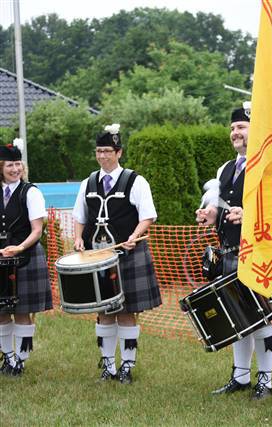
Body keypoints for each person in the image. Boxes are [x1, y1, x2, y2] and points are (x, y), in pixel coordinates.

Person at [195, 102, 272, 400]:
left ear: (256, 130)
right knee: (238, 316)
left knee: (262, 317)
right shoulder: (225, 168)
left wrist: (249, 216)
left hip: (259, 252)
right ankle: (240, 377)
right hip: (229, 252)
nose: (234, 132)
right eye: (232, 128)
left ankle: (265, 381)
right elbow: (220, 208)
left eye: (240, 127)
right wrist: (210, 215)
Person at [72, 124, 162, 384]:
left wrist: (134, 235)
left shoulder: (135, 181)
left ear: (119, 152)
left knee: (126, 312)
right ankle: (108, 365)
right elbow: (80, 216)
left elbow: (147, 216)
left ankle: (127, 366)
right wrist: (78, 238)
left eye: (107, 151)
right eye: (99, 151)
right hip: (97, 258)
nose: (102, 156)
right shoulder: (88, 183)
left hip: (127, 255)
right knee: (104, 311)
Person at [0, 141, 51, 376]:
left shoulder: (31, 192)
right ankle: (8, 358)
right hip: (1, 257)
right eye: (10, 165)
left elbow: (37, 230)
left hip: (26, 256)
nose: (15, 169)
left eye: (18, 164)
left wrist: (19, 247)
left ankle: (20, 360)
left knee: (22, 311)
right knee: (1, 312)